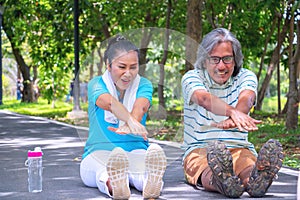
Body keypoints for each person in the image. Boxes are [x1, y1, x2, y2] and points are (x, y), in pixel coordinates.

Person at [181, 28, 284, 198]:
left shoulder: (246, 76)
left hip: (239, 147)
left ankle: (256, 180)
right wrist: (233, 113)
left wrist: (235, 116)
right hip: (199, 149)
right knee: (206, 170)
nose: (221, 66)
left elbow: (247, 99)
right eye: (215, 59)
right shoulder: (192, 77)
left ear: (235, 60)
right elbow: (204, 99)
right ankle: (222, 183)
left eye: (227, 59)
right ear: (205, 61)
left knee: (248, 168)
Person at [80, 35, 167, 200]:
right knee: (104, 170)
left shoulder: (144, 84)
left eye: (133, 67)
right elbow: (110, 103)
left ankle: (151, 184)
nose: (128, 73)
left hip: (136, 148)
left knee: (142, 169)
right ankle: (116, 185)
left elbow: (140, 106)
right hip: (98, 151)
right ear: (108, 65)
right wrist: (131, 121)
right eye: (122, 67)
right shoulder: (96, 84)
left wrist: (132, 121)